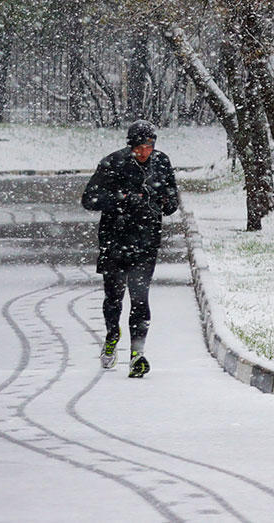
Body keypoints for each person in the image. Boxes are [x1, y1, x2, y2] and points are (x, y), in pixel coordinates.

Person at [81, 120, 180, 378]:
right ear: (130, 146)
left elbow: (172, 203)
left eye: (148, 147)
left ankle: (138, 353)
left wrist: (162, 200)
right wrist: (121, 199)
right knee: (114, 297)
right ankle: (113, 334)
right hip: (115, 239)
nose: (144, 152)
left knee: (140, 297)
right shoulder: (113, 163)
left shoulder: (161, 163)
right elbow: (89, 199)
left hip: (146, 241)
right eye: (139, 148)